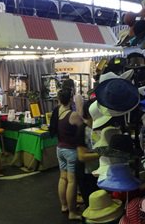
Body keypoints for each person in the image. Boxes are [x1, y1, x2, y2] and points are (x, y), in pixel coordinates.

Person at [55, 89, 84, 221]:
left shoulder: (58, 112)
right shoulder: (72, 115)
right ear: (71, 99)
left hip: (60, 148)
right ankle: (72, 212)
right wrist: (80, 106)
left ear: (59, 99)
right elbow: (82, 123)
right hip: (70, 151)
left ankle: (64, 206)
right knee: (72, 181)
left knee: (63, 178)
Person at [76, 99, 99, 208]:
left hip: (98, 172)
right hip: (86, 175)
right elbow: (81, 156)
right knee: (91, 204)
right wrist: (102, 154)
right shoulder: (83, 130)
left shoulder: (99, 128)